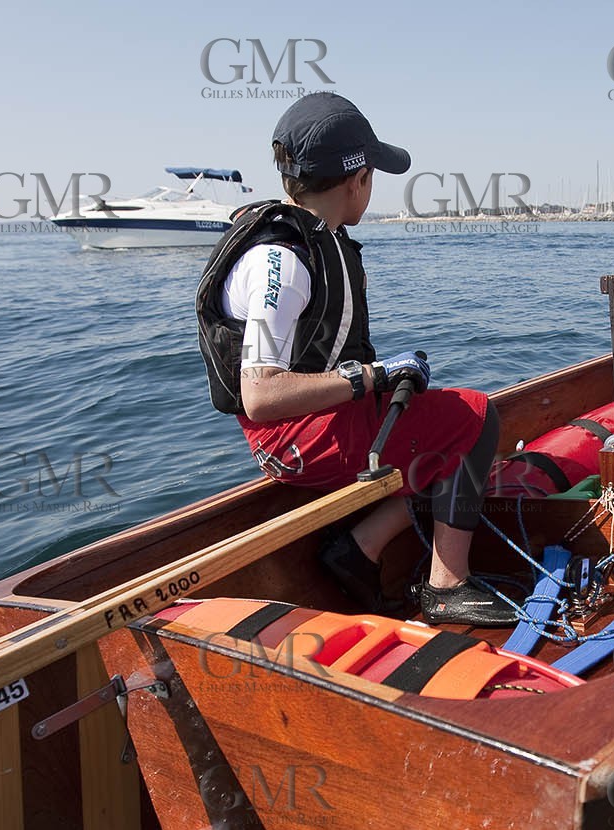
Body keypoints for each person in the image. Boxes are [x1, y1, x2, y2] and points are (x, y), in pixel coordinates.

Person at [195, 92, 518, 627]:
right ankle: (446, 586)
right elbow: (259, 394)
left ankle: (360, 549)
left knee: (428, 422)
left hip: (296, 433)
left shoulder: (306, 241)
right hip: (290, 438)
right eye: (372, 175)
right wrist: (371, 376)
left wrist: (385, 379)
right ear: (357, 180)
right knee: (476, 417)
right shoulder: (282, 261)